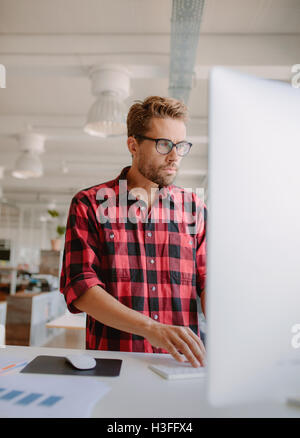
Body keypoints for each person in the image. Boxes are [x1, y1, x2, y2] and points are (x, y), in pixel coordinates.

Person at [60, 96, 207, 367]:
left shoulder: (194, 208)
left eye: (181, 146)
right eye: (164, 144)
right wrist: (152, 329)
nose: (175, 155)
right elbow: (80, 286)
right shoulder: (90, 204)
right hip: (113, 363)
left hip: (181, 367)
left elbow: (208, 281)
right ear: (133, 145)